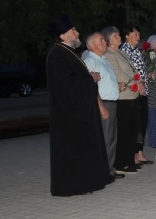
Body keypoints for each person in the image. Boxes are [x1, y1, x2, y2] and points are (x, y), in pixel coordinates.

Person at [46, 15, 111, 196]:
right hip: (69, 114)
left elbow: (74, 79)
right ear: (64, 35)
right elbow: (65, 85)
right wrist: (89, 78)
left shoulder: (68, 52)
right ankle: (76, 185)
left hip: (80, 109)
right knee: (73, 151)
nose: (77, 33)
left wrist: (88, 78)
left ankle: (89, 181)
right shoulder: (57, 55)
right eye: (73, 30)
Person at [83, 32, 125, 181]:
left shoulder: (103, 59)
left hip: (111, 102)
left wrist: (116, 85)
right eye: (101, 40)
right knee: (106, 138)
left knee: (111, 138)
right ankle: (103, 172)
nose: (104, 42)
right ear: (92, 45)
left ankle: (110, 169)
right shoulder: (90, 61)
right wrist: (101, 107)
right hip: (104, 104)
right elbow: (90, 87)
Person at [102, 26, 144, 175]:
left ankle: (129, 160)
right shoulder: (109, 54)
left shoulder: (120, 52)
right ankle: (120, 163)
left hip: (132, 96)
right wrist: (136, 83)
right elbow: (118, 75)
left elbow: (133, 71)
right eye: (115, 36)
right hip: (123, 97)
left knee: (132, 130)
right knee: (123, 131)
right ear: (107, 40)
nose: (119, 37)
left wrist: (139, 82)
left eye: (118, 35)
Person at [120, 24, 153, 165]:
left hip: (143, 91)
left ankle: (140, 152)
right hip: (134, 91)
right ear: (126, 35)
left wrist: (147, 77)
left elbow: (140, 70)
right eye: (135, 34)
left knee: (143, 122)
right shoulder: (124, 51)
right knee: (136, 124)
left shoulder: (137, 51)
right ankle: (133, 153)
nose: (138, 37)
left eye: (139, 35)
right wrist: (140, 82)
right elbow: (128, 73)